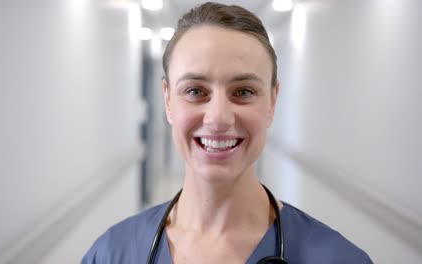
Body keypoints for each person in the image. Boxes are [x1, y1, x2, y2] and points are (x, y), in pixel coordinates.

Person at [82, 2, 373, 263]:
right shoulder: (110, 253)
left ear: (272, 102)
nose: (218, 118)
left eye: (244, 91)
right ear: (168, 101)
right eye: (195, 91)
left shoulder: (338, 258)